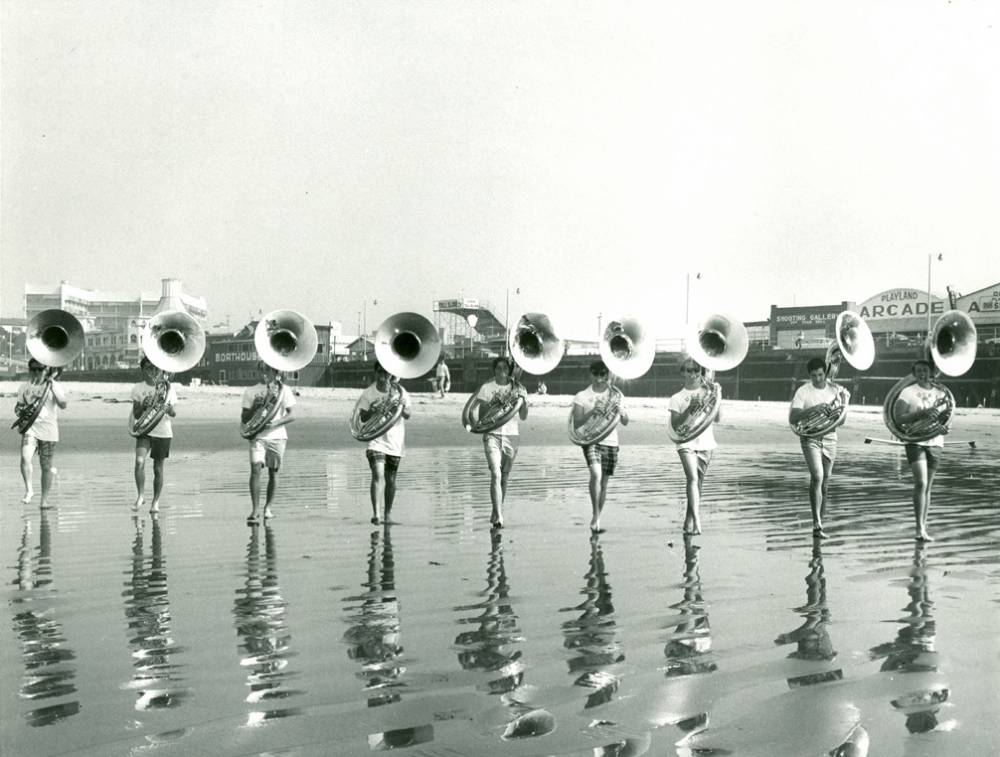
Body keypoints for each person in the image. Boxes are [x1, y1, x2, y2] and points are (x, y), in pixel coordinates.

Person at [788, 357, 848, 538]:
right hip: (810, 438)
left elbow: (842, 419)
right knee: (817, 476)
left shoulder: (835, 390)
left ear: (825, 372)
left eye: (821, 375)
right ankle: (816, 524)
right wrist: (815, 410)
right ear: (810, 375)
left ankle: (820, 524)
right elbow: (793, 418)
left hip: (830, 437)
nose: (818, 379)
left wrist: (839, 406)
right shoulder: (803, 391)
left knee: (826, 482)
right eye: (814, 376)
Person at [468, 357, 528, 529]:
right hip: (492, 434)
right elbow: (479, 415)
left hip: (511, 435)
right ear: (494, 370)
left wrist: (524, 400)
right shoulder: (487, 388)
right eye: (498, 368)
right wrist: (494, 403)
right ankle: (500, 516)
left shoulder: (518, 388)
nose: (502, 371)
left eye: (505, 368)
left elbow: (523, 416)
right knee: (496, 473)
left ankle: (497, 510)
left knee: (505, 476)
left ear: (509, 370)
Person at [571, 360, 629, 533]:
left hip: (611, 441)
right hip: (591, 440)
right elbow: (576, 423)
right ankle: (595, 516)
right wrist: (592, 411)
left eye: (603, 374)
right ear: (591, 374)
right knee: (595, 474)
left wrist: (622, 412)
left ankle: (597, 517)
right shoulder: (582, 396)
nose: (599, 378)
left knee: (604, 483)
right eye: (596, 374)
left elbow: (625, 422)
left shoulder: (616, 396)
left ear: (607, 375)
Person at [892, 360, 946, 541]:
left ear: (931, 372)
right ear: (914, 374)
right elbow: (899, 418)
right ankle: (918, 527)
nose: (922, 374)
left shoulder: (941, 392)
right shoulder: (908, 392)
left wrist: (945, 426)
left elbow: (946, 417)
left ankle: (924, 527)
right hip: (915, 441)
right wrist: (923, 413)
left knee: (928, 486)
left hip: (935, 441)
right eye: (918, 371)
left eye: (925, 370)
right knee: (921, 483)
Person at [356, 361, 412, 525]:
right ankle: (376, 514)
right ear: (375, 373)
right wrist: (373, 410)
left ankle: (387, 514)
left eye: (386, 373)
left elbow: (408, 414)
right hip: (375, 440)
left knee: (391, 479)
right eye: (379, 372)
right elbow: (362, 417)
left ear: (391, 375)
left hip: (395, 442)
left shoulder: (400, 393)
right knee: (378, 474)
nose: (382, 377)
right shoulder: (368, 393)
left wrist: (401, 406)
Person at [241, 362, 296, 525]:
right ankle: (255, 510)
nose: (264, 373)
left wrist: (276, 423)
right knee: (255, 470)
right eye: (262, 370)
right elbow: (244, 418)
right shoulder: (250, 391)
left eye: (268, 370)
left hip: (277, 437)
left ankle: (268, 508)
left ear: (274, 372)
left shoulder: (283, 390)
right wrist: (254, 408)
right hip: (257, 436)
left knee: (274, 473)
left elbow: (292, 415)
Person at [668, 358, 719, 535]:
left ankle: (688, 521)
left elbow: (718, 418)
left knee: (698, 483)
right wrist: (690, 408)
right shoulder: (677, 397)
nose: (693, 374)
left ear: (701, 372)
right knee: (692, 479)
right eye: (689, 371)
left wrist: (718, 396)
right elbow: (675, 425)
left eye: (696, 371)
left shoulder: (708, 392)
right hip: (685, 441)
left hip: (705, 441)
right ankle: (697, 520)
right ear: (683, 372)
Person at [16, 358, 68, 508]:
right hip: (30, 429)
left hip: (49, 431)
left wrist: (52, 387)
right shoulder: (24, 387)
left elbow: (63, 404)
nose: (36, 372)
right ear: (29, 370)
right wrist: (21, 411)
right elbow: (18, 407)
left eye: (40, 369)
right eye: (33, 369)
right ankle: (29, 490)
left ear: (46, 370)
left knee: (46, 467)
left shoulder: (53, 385)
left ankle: (44, 500)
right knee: (25, 458)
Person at [130, 357, 178, 513]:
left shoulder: (168, 388)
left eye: (154, 368)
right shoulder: (138, 388)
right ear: (143, 370)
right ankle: (140, 496)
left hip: (163, 431)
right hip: (145, 431)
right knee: (139, 461)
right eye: (148, 368)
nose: (151, 371)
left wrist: (166, 407)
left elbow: (174, 413)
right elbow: (136, 414)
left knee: (158, 469)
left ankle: (155, 502)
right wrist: (143, 404)